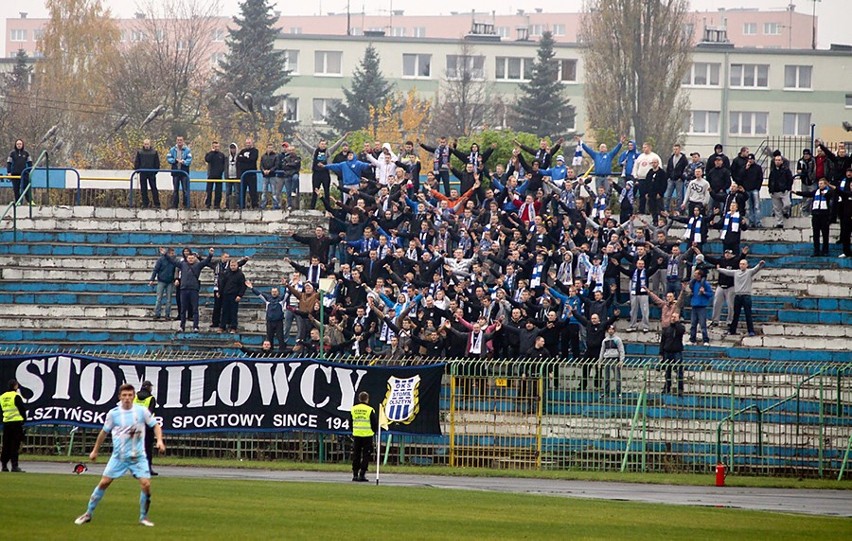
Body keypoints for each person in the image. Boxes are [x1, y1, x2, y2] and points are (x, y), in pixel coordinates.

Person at [74, 384, 165, 527]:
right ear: (120, 397)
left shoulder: (141, 411)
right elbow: (104, 432)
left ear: (134, 396)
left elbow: (155, 425)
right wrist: (95, 450)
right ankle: (88, 514)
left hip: (138, 457)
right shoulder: (114, 414)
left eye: (130, 395)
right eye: (124, 395)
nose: (127, 398)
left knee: (146, 485)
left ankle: (143, 517)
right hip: (119, 457)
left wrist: (159, 440)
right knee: (104, 483)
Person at [162, 247, 214, 332]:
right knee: (183, 309)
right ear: (186, 259)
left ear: (194, 259)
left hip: (194, 289)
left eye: (192, 258)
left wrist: (210, 254)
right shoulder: (182, 264)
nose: (190, 260)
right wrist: (165, 254)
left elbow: (206, 262)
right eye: (189, 258)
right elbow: (172, 261)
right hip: (184, 289)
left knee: (195, 309)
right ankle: (182, 326)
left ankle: (195, 326)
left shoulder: (198, 265)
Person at [718, 259, 766, 337]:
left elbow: (756, 269)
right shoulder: (736, 272)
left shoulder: (749, 272)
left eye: (743, 264)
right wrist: (719, 269)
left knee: (748, 314)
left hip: (746, 296)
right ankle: (732, 330)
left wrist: (760, 264)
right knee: (736, 314)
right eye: (740, 264)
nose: (742, 265)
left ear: (746, 265)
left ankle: (751, 331)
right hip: (738, 296)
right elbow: (727, 272)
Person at [794, 178, 834, 257]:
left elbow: (830, 197)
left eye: (822, 183)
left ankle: (825, 251)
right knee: (816, 234)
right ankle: (816, 251)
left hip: (824, 215)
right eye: (819, 184)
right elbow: (807, 193)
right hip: (815, 215)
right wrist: (797, 193)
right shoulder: (816, 192)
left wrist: (825, 194)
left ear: (825, 184)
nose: (820, 185)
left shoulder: (829, 191)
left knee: (825, 234)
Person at [246, 279, 288, 352]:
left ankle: (282, 351)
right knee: (269, 337)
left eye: (275, 292)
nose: (274, 293)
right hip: (269, 321)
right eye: (273, 292)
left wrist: (287, 285)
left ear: (278, 292)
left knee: (280, 337)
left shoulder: (281, 299)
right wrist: (251, 287)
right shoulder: (268, 299)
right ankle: (269, 351)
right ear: (271, 292)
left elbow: (287, 293)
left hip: (279, 321)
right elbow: (259, 294)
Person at [350, 391, 377, 482]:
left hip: (357, 434)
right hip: (367, 435)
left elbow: (350, 422)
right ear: (367, 399)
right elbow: (374, 423)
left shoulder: (353, 409)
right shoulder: (370, 410)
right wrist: (374, 431)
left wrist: (354, 430)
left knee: (356, 455)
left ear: (359, 399)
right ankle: (362, 474)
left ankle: (354, 474)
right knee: (366, 455)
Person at [133, 381, 158, 476]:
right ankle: (148, 468)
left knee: (137, 448)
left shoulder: (135, 397)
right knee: (147, 448)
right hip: (147, 427)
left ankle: (136, 468)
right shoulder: (151, 398)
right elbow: (150, 413)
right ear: (149, 388)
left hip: (135, 425)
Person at [1, 379, 26, 472]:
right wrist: (24, 419)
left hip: (6, 422)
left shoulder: (2, 397)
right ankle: (14, 465)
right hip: (16, 423)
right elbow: (21, 409)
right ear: (15, 386)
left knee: (6, 445)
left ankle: (4, 465)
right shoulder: (16, 396)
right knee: (14, 445)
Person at [660, 313, 687, 396]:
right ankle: (667, 387)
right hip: (667, 352)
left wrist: (677, 323)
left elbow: (681, 331)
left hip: (677, 352)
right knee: (667, 371)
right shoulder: (666, 329)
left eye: (675, 317)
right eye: (672, 317)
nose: (673, 318)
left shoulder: (680, 328)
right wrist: (661, 353)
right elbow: (662, 342)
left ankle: (680, 389)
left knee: (679, 371)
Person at [149, 247, 177, 320]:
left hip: (170, 281)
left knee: (169, 300)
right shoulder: (161, 260)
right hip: (161, 281)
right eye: (171, 253)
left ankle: (167, 315)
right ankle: (157, 314)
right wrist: (152, 279)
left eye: (173, 253)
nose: (173, 255)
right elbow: (156, 270)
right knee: (159, 298)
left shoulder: (174, 261)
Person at [687, 269, 713, 346]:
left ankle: (705, 340)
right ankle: (692, 339)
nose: (694, 275)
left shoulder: (705, 284)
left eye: (696, 274)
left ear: (699, 275)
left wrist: (704, 292)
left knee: (702, 325)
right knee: (693, 325)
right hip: (694, 306)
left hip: (702, 307)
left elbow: (710, 294)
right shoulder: (693, 283)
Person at [768, 154, 793, 228]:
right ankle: (779, 223)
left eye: (779, 160)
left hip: (783, 191)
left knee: (787, 204)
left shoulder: (786, 170)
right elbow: (770, 181)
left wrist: (788, 188)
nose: (777, 162)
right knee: (777, 208)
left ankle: (785, 212)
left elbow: (790, 179)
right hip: (774, 192)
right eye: (776, 160)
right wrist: (770, 190)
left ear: (782, 161)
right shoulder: (772, 171)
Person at [598, 325, 624, 397]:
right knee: (606, 377)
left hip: (614, 359)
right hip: (607, 359)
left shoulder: (617, 340)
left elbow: (621, 350)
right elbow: (602, 351)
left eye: (612, 329)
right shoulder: (605, 340)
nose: (610, 331)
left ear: (614, 330)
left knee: (617, 377)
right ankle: (606, 392)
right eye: (609, 329)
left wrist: (621, 360)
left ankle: (618, 392)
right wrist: (600, 361)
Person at [166, 136, 192, 209]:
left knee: (185, 190)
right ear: (176, 141)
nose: (179, 141)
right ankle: (175, 205)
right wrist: (175, 160)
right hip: (175, 172)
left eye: (181, 140)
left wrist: (183, 162)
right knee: (175, 190)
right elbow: (168, 158)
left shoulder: (187, 150)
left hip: (184, 173)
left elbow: (189, 160)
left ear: (183, 141)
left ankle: (186, 205)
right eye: (178, 140)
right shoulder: (172, 150)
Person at [134, 139, 161, 208]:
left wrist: (155, 171)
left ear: (150, 144)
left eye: (147, 144)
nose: (146, 145)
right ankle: (145, 203)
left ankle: (157, 204)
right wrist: (137, 170)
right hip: (143, 173)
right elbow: (137, 162)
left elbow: (157, 163)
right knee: (143, 189)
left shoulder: (154, 152)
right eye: (145, 144)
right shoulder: (140, 152)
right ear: (143, 144)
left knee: (154, 188)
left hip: (151, 173)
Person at [6, 139, 32, 204]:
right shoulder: (12, 153)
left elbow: (30, 163)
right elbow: (9, 163)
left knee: (26, 187)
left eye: (20, 144)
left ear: (22, 144)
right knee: (16, 188)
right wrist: (9, 172)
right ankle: (18, 201)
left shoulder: (26, 153)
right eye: (17, 144)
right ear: (15, 145)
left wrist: (29, 171)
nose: (19, 145)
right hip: (15, 173)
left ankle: (29, 201)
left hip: (24, 173)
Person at [237, 138, 259, 209]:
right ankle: (241, 205)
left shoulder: (255, 151)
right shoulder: (242, 151)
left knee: (253, 191)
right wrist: (246, 159)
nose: (248, 144)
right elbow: (238, 159)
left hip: (251, 174)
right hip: (243, 175)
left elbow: (252, 159)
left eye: (249, 143)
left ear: (252, 143)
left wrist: (243, 159)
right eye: (247, 143)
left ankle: (255, 205)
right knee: (242, 190)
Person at [204, 141, 226, 209]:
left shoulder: (221, 155)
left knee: (218, 191)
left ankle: (217, 205)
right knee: (209, 191)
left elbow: (224, 164)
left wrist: (221, 171)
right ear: (212, 147)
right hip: (211, 175)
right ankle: (208, 204)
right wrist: (212, 152)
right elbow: (207, 159)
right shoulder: (209, 154)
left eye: (217, 146)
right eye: (215, 147)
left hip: (219, 176)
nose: (216, 148)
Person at [259, 142, 278, 209]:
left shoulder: (275, 156)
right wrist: (263, 170)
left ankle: (275, 205)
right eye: (269, 148)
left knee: (274, 192)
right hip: (265, 176)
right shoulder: (263, 156)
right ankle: (263, 204)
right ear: (266, 148)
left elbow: (276, 165)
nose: (270, 149)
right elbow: (260, 165)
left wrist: (270, 171)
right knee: (264, 191)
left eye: (271, 148)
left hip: (272, 175)